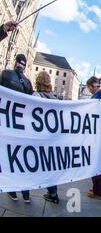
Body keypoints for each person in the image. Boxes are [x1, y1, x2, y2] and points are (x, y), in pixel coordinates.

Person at [0, 54, 33, 203]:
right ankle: (25, 193)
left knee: (7, 157)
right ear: (25, 65)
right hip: (21, 125)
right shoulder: (28, 83)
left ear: (15, 62)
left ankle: (11, 191)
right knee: (20, 159)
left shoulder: (6, 74)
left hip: (5, 122)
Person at [34, 71, 60, 204]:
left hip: (39, 137)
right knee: (50, 165)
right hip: (52, 138)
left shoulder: (34, 96)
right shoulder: (54, 98)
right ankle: (53, 193)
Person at [86, 76, 101, 200]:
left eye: (89, 88)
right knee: (98, 160)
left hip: (96, 133)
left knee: (95, 162)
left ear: (92, 85)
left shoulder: (99, 95)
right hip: (98, 133)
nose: (89, 90)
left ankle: (98, 190)